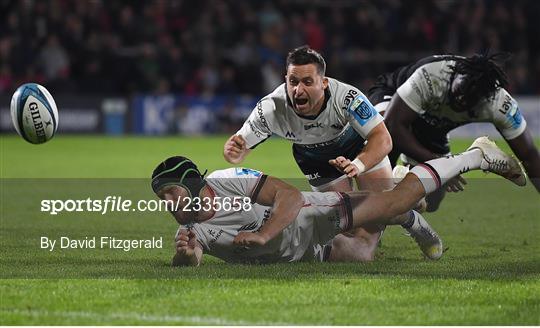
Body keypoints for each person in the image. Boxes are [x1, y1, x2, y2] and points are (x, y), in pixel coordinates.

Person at [151, 137, 526, 266]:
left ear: (194, 184)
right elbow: (192, 255)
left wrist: (264, 234)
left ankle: (474, 156)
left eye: (171, 193)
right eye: (161, 197)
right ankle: (407, 215)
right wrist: (184, 259)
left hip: (314, 215)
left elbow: (290, 195)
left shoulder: (227, 181)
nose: (167, 203)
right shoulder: (190, 227)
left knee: (395, 202)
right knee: (363, 254)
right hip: (301, 252)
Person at [222, 45, 425, 262]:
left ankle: (412, 217)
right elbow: (239, 148)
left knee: (386, 208)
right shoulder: (271, 108)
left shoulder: (346, 98)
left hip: (357, 146)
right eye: (293, 82)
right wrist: (234, 153)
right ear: (285, 80)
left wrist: (357, 164)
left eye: (307, 82)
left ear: (324, 82)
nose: (298, 90)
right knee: (350, 225)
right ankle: (400, 199)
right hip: (315, 159)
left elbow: (382, 138)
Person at [368, 53, 540, 212]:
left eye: (467, 102)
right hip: (393, 96)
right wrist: (440, 165)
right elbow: (393, 125)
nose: (460, 101)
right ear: (456, 76)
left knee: (432, 201)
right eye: (458, 92)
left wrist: (441, 169)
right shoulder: (433, 75)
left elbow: (529, 155)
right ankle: (368, 226)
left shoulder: (499, 105)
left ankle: (401, 178)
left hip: (433, 123)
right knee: (382, 142)